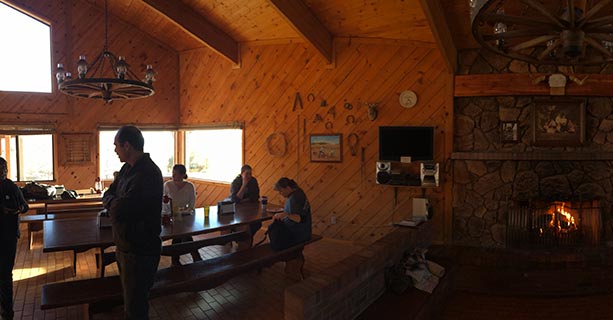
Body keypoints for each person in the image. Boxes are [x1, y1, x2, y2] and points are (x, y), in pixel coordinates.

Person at [102, 125, 163, 319]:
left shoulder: (148, 173)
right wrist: (114, 202)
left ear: (127, 145)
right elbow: (108, 193)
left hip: (140, 251)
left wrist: (113, 203)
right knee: (131, 301)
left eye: (116, 146)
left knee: (135, 307)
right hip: (125, 247)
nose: (115, 150)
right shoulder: (127, 168)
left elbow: (121, 210)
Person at [0, 157, 28, 320]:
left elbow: (25, 205)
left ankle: (7, 313)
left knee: (5, 274)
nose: (3, 172)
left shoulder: (11, 186)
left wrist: (20, 208)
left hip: (10, 235)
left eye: (4, 169)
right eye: (0, 169)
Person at [164, 164, 200, 265]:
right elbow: (164, 201)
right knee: (182, 235)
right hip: (172, 215)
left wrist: (187, 211)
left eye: (176, 174)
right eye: (173, 173)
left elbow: (192, 204)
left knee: (181, 235)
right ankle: (195, 256)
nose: (173, 176)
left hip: (186, 215)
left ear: (183, 174)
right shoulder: (168, 185)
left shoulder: (189, 186)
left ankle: (175, 260)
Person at [270, 177, 312, 249]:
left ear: (288, 188)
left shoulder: (295, 199)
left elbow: (301, 219)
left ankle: (288, 256)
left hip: (298, 234)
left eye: (281, 191)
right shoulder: (298, 191)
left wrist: (285, 214)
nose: (280, 193)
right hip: (305, 231)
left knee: (273, 230)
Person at [229, 164, 262, 238]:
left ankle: (246, 240)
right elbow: (236, 200)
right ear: (241, 174)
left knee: (256, 223)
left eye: (250, 173)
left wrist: (243, 200)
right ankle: (242, 240)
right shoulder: (236, 182)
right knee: (242, 225)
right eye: (247, 173)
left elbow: (255, 197)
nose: (249, 176)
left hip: (250, 209)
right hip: (237, 210)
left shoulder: (253, 181)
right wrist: (244, 184)